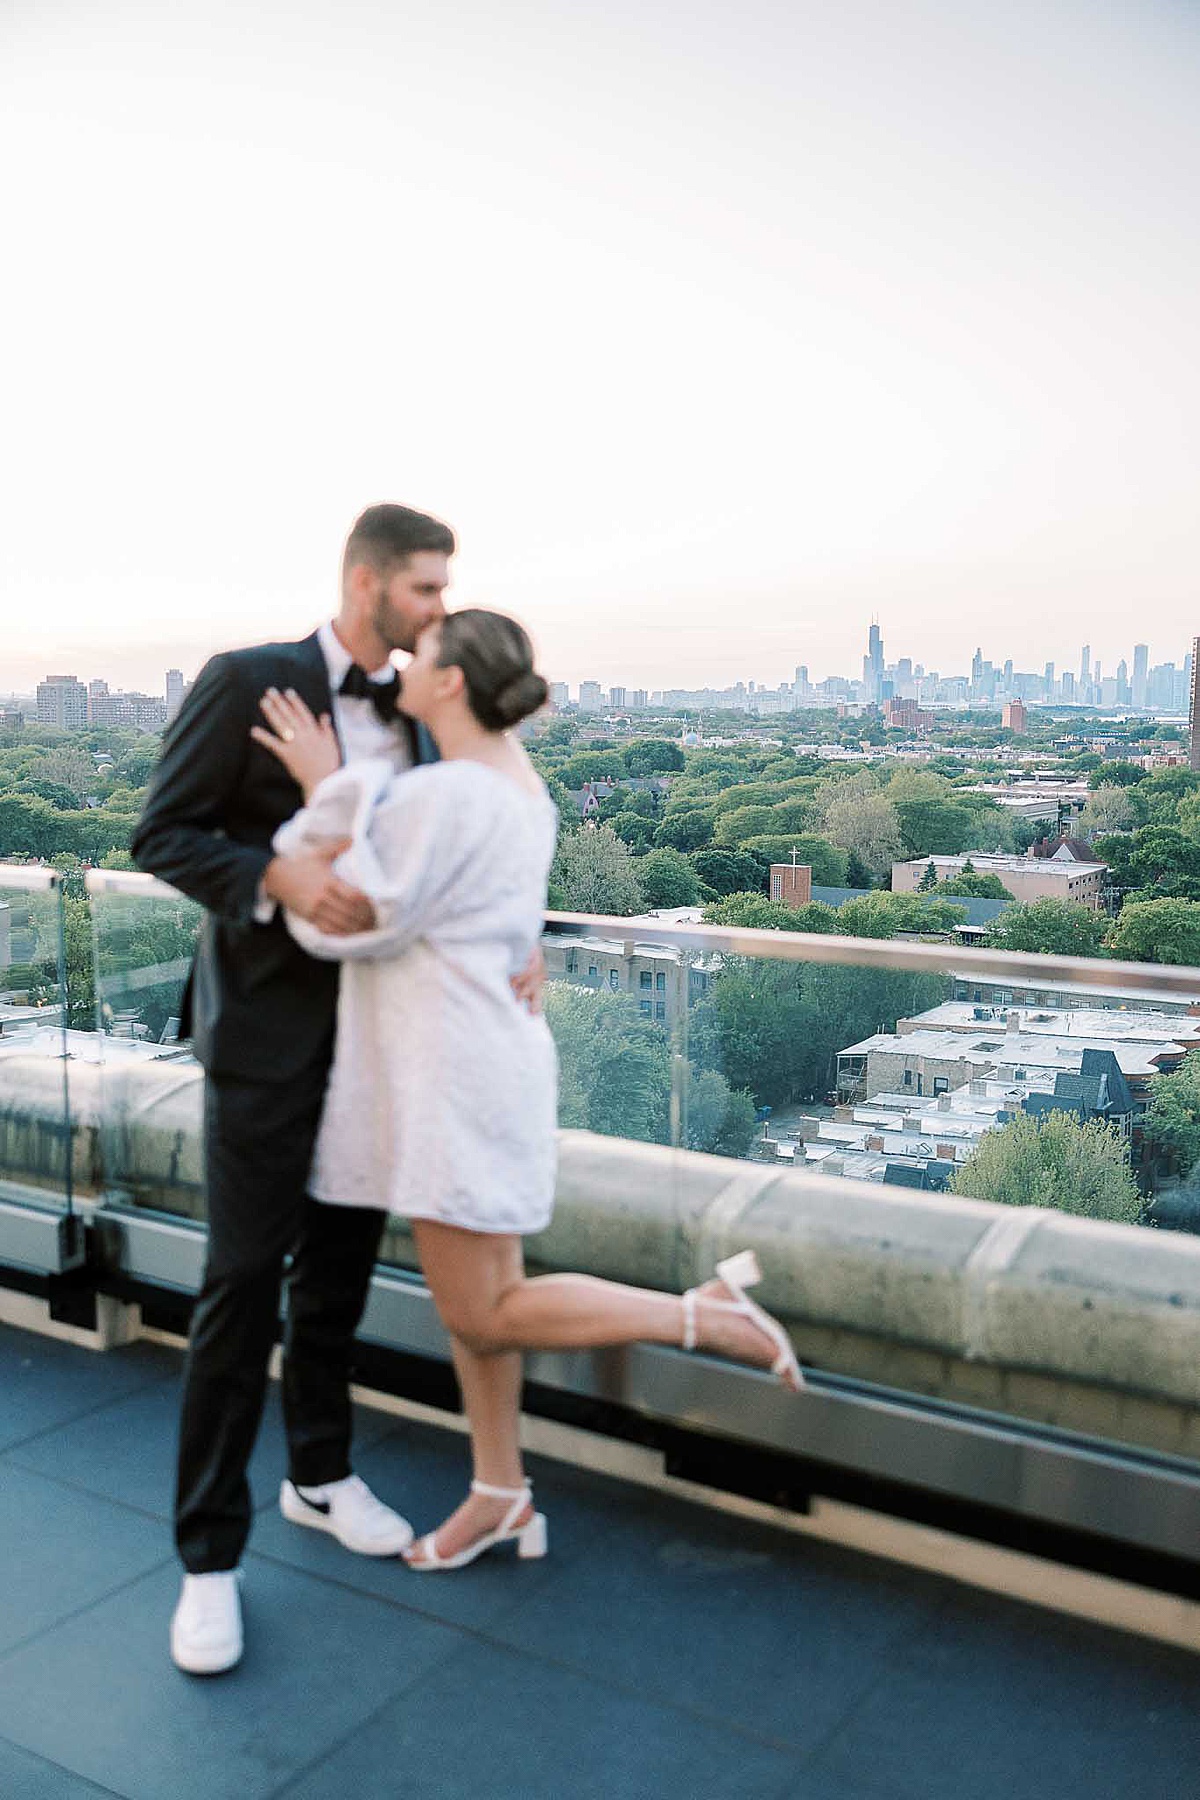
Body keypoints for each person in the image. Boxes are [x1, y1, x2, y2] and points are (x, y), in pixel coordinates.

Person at [253, 607, 804, 1576]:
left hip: (449, 1073)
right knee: (488, 1294)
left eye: (419, 658)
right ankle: (500, 1491)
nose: (402, 669)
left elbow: (349, 923)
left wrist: (321, 792)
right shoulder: (520, 785)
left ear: (452, 681)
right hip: (490, 1057)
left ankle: (706, 1316)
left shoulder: (447, 793)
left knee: (479, 1312)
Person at [132, 504, 538, 1674]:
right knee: (241, 1285)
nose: (437, 611)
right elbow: (163, 834)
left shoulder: (425, 719)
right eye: (422, 588)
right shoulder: (247, 679)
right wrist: (279, 879)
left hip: (387, 1044)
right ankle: (208, 1561)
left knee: (341, 1277)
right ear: (364, 582)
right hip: (264, 1040)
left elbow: (482, 830)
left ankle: (320, 1472)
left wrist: (529, 937)